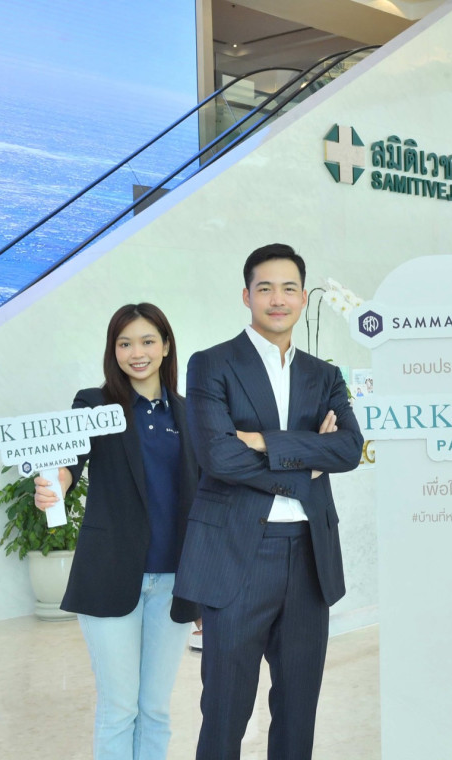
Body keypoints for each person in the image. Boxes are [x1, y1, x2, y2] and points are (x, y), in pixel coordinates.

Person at [174, 243, 363, 759]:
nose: (277, 299)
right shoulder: (211, 364)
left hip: (310, 557)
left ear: (302, 297)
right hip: (235, 557)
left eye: (288, 288)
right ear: (247, 296)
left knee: (298, 713)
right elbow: (219, 457)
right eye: (265, 288)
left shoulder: (324, 375)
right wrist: (308, 461)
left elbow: (349, 448)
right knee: (225, 714)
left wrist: (261, 440)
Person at [33, 303, 199, 760]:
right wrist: (55, 485)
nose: (136, 353)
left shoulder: (188, 413)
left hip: (173, 581)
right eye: (124, 343)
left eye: (147, 341)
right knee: (119, 708)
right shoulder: (94, 404)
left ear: (166, 346)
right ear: (113, 351)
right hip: (110, 574)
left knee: (155, 709)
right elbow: (69, 462)